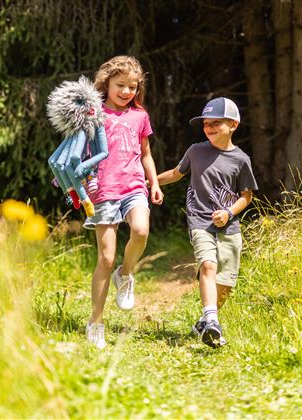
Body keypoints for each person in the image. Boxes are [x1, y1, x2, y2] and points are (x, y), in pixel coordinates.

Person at [157, 97, 258, 348]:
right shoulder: (196, 151)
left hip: (229, 227)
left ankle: (205, 321)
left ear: (233, 124)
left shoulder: (241, 160)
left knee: (225, 283)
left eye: (216, 123)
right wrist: (149, 182)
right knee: (208, 267)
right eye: (205, 124)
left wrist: (229, 213)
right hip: (200, 221)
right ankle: (213, 321)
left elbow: (247, 196)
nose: (209, 128)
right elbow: (176, 174)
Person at [84, 56, 164, 349]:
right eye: (121, 85)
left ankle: (126, 273)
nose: (127, 91)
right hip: (103, 191)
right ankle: (96, 320)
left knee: (141, 231)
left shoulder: (139, 116)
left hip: (133, 186)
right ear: (106, 83)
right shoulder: (93, 115)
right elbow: (77, 152)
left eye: (133, 86)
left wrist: (153, 182)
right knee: (105, 258)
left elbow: (145, 155)